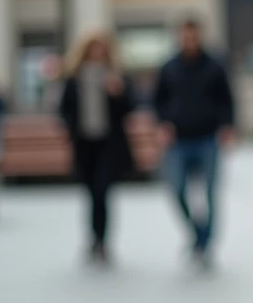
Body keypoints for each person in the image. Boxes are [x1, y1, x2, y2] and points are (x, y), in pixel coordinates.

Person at [154, 19, 236, 268]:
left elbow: (227, 99)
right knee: (177, 190)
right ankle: (196, 233)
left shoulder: (214, 66)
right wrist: (163, 123)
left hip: (208, 139)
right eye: (185, 36)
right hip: (178, 140)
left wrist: (228, 127)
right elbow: (158, 100)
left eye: (193, 36)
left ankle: (205, 243)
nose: (189, 41)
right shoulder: (169, 67)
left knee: (210, 193)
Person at [57, 33, 135, 265]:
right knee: (91, 194)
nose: (97, 54)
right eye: (93, 49)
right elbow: (64, 109)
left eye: (101, 49)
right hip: (84, 143)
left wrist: (117, 93)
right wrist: (69, 129)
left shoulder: (116, 76)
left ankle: (102, 241)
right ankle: (93, 238)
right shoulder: (75, 78)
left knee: (103, 190)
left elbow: (130, 108)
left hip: (108, 144)